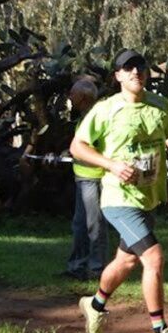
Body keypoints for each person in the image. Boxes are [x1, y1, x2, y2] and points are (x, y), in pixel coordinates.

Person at [71, 50, 168, 333]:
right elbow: (77, 147)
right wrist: (110, 164)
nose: (136, 72)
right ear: (118, 76)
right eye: (128, 68)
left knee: (126, 260)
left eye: (140, 67)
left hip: (147, 196)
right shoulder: (105, 109)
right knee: (154, 257)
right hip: (117, 197)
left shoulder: (160, 106)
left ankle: (94, 305)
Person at [63, 77, 109, 282]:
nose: (70, 97)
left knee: (94, 225)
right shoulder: (84, 118)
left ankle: (96, 268)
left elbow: (95, 148)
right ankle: (77, 266)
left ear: (82, 97)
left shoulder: (96, 118)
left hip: (94, 178)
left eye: (73, 93)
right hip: (82, 178)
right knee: (80, 225)